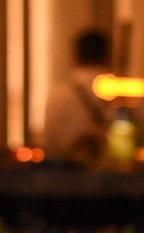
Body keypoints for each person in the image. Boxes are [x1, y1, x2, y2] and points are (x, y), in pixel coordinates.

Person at [43, 29, 114, 166]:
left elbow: (50, 143)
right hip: (118, 175)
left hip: (69, 174)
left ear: (75, 55)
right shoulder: (125, 91)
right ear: (108, 56)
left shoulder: (59, 93)